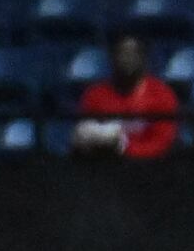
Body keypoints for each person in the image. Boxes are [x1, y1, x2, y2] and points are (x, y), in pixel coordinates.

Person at [72, 31, 181, 159]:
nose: (127, 59)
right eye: (122, 53)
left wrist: (124, 148)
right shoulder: (95, 95)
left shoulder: (162, 94)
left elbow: (163, 142)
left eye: (133, 54)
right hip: (104, 167)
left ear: (144, 58)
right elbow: (82, 137)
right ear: (112, 57)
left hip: (151, 169)